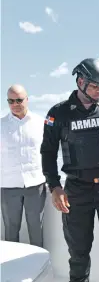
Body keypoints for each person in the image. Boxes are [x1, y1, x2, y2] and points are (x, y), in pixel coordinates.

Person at [40, 58, 99, 282]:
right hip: (76, 191)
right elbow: (48, 152)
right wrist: (54, 186)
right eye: (95, 86)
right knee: (79, 254)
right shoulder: (59, 113)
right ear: (80, 81)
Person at [1, 84, 47, 247]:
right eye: (10, 101)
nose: (15, 104)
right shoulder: (1, 125)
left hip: (36, 185)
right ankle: (11, 270)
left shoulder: (41, 123)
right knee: (11, 231)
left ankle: (39, 269)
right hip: (8, 185)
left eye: (19, 100)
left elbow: (51, 152)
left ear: (27, 99)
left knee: (36, 229)